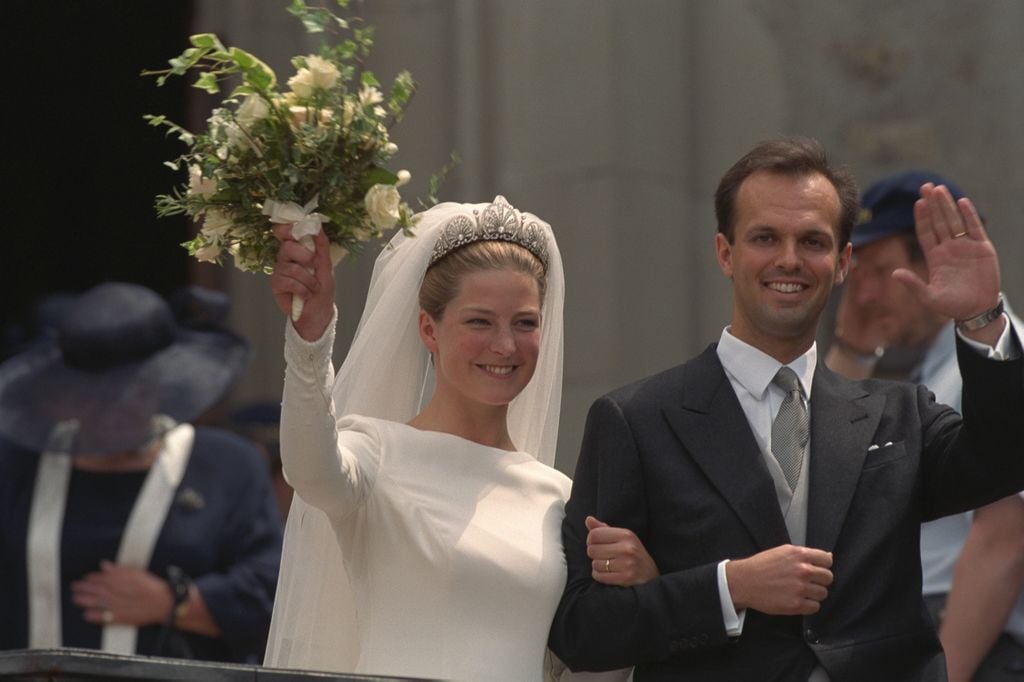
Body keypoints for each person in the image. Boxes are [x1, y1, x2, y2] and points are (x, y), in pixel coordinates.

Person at [548, 137, 1024, 681]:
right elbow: (582, 629)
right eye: (765, 237)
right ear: (726, 253)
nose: (790, 259)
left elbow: (1003, 462)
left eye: (813, 240)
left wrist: (982, 320)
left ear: (843, 262)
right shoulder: (636, 420)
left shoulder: (901, 415)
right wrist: (731, 587)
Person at [263, 196, 630, 680]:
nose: (505, 345)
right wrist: (310, 338)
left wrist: (633, 590)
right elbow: (308, 469)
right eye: (480, 321)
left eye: (525, 323)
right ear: (428, 329)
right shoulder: (374, 454)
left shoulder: (559, 496)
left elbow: (583, 666)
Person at [0, 282, 283, 663]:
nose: (112, 410)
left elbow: (275, 594)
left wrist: (176, 602)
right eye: (94, 395)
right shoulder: (18, 462)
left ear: (161, 382)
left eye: (128, 392)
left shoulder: (225, 466)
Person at [825, 170, 1024, 681]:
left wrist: (944, 674)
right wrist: (852, 349)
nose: (863, 294)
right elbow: (815, 463)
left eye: (880, 271)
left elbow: (1005, 537)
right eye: (857, 272)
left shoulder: (997, 361)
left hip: (971, 647)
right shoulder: (925, 374)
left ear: (934, 262)